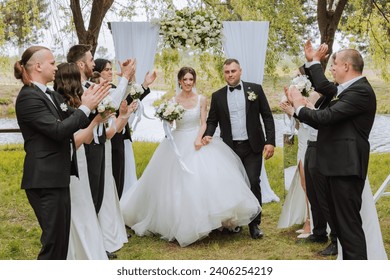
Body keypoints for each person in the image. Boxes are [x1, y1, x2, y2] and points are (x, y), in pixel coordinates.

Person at [120, 66, 261, 247]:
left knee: (208, 179)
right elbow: (171, 124)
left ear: (194, 81)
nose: (188, 83)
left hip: (197, 140)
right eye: (185, 79)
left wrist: (198, 139)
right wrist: (167, 117)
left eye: (191, 80)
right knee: (176, 182)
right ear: (179, 81)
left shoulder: (201, 99)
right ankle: (181, 221)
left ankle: (215, 220)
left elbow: (204, 122)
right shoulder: (172, 101)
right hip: (177, 142)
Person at [14, 46, 109, 259]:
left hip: (58, 177)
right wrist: (86, 108)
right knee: (53, 244)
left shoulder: (50, 94)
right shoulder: (29, 98)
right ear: (38, 66)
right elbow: (58, 131)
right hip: (44, 181)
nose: (56, 67)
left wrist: (94, 105)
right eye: (52, 63)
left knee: (61, 242)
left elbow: (74, 116)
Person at [287, 42, 376, 259]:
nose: (332, 69)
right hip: (337, 167)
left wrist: (299, 106)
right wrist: (313, 61)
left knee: (350, 229)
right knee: (342, 227)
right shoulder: (348, 90)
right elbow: (326, 87)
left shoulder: (361, 92)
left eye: (334, 64)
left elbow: (325, 118)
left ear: (346, 66)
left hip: (346, 169)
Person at [202, 58, 276, 239]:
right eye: (227, 72)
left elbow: (266, 116)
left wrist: (270, 141)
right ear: (224, 73)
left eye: (233, 71)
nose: (230, 75)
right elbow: (212, 120)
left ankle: (254, 224)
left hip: (253, 146)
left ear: (240, 71)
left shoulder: (255, 89)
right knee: (232, 186)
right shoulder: (217, 96)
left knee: (252, 182)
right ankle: (235, 223)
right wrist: (207, 134)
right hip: (229, 148)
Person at [66, 44, 135, 214]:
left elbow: (114, 100)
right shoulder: (77, 88)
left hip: (100, 141)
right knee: (92, 192)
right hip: (88, 144)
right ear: (81, 65)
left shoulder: (90, 85)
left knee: (99, 191)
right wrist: (125, 77)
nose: (93, 64)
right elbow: (111, 104)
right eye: (90, 60)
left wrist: (128, 78)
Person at [53, 62, 108, 260]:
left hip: (80, 158)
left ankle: (90, 248)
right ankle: (78, 250)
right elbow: (74, 140)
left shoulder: (74, 101)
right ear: (71, 79)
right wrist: (94, 122)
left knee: (84, 203)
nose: (83, 82)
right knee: (77, 206)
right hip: (71, 159)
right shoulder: (59, 102)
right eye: (79, 78)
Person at [94, 58, 156, 199]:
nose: (110, 72)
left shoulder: (115, 88)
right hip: (108, 135)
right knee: (111, 176)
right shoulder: (98, 91)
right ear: (97, 72)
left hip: (120, 136)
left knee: (120, 174)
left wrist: (144, 84)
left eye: (111, 69)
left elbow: (129, 100)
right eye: (106, 70)